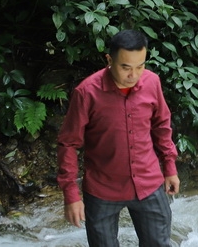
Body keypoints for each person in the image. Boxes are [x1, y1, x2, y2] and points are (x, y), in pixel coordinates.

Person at [57, 30, 180, 247]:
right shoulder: (87, 93)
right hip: (102, 189)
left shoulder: (152, 82)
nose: (134, 75)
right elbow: (68, 143)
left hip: (148, 182)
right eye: (125, 67)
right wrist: (71, 194)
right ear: (109, 60)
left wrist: (169, 167)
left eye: (140, 66)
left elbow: (161, 125)